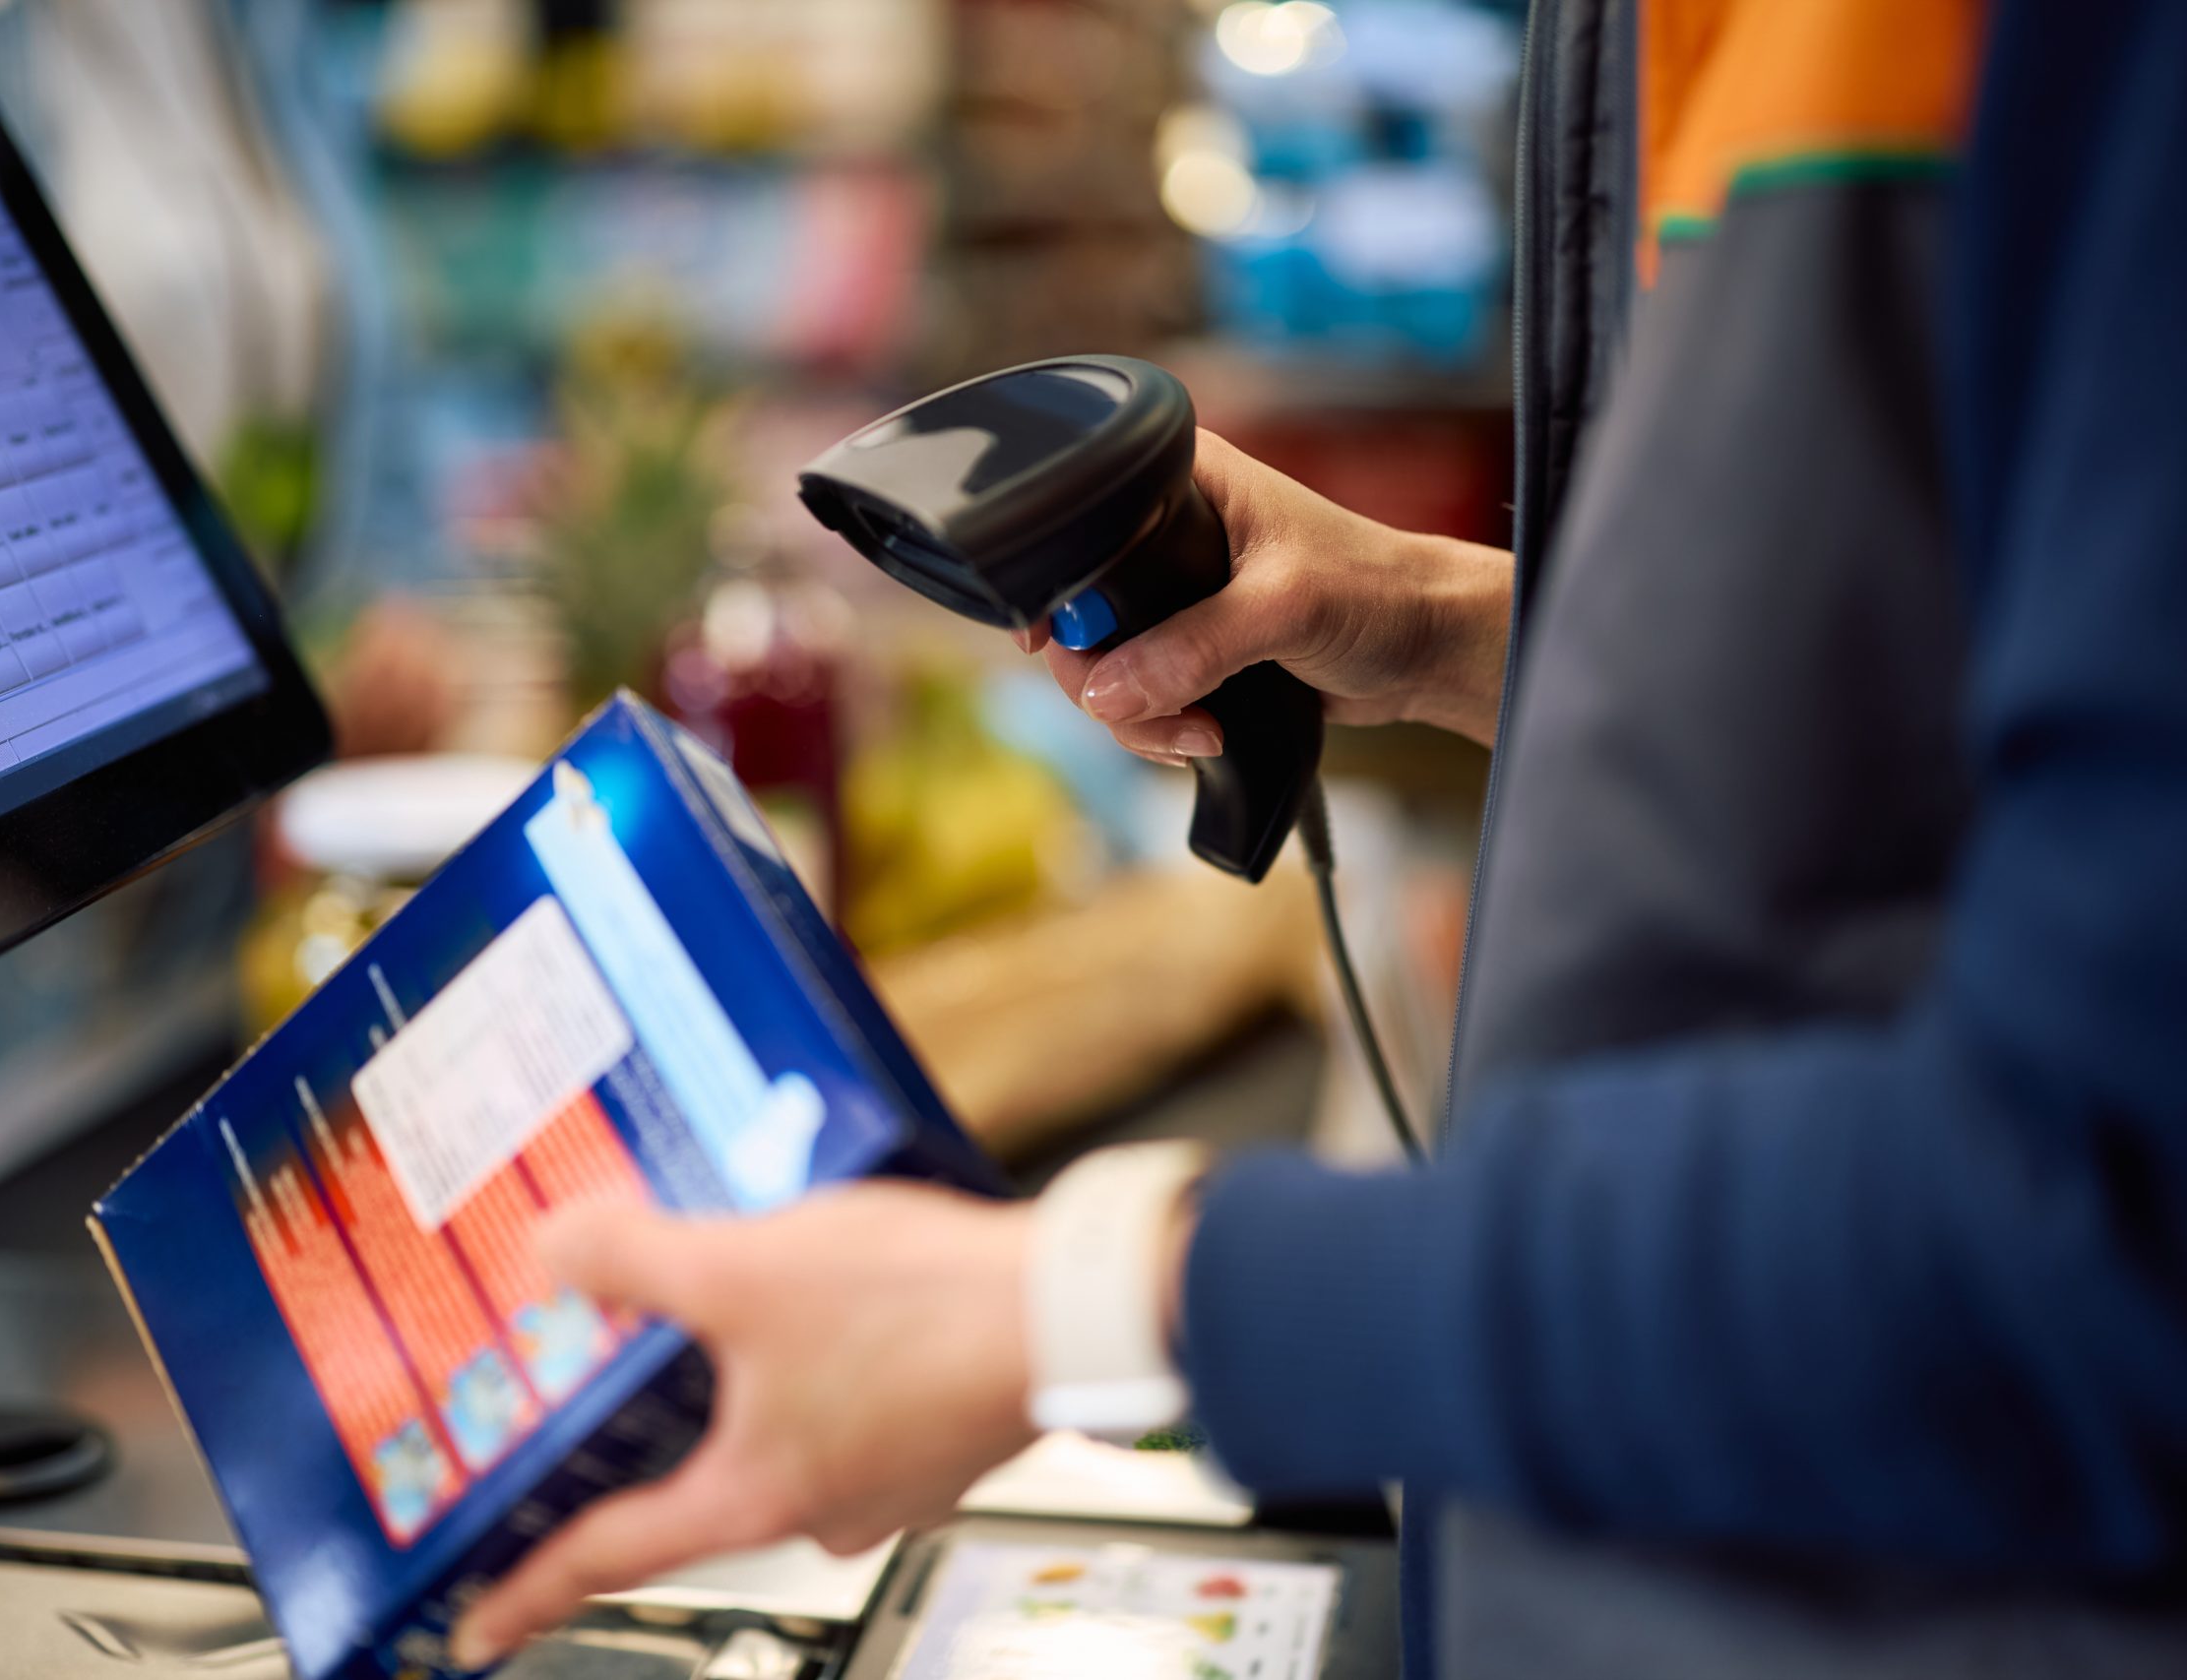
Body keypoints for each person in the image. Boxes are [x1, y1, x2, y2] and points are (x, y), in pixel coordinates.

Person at [452, 2, 2187, 1675]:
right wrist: (1436, 621)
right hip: (1647, 1512)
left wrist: (1097, 1301)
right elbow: (1898, 702)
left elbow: (2104, 1233)